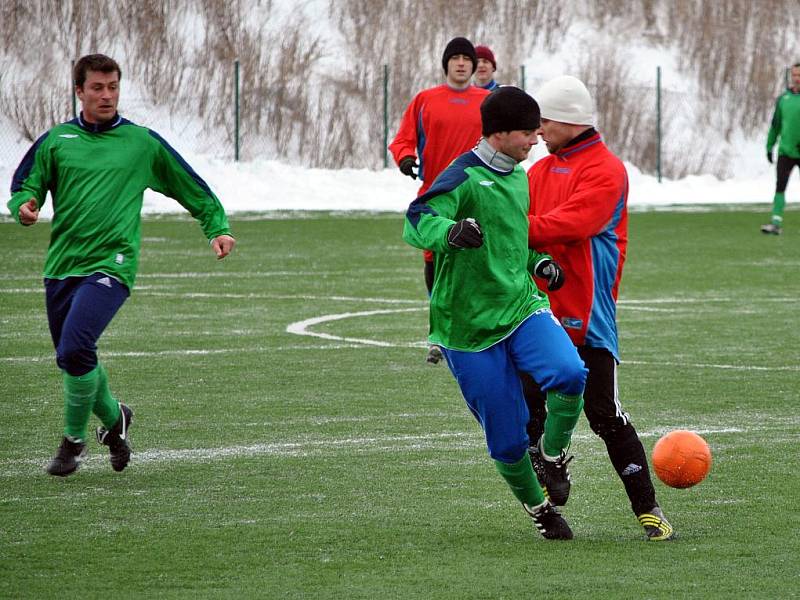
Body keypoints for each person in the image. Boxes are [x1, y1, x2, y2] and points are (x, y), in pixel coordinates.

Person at [7, 54, 236, 477]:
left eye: (113, 87)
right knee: (73, 359)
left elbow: (191, 187)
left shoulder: (140, 143)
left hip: (112, 265)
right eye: (97, 87)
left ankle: (73, 443)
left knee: (76, 347)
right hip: (62, 266)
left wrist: (215, 227)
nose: (107, 95)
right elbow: (25, 183)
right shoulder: (57, 141)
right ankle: (116, 421)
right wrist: (26, 205)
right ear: (79, 91)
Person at [402, 86, 587, 540]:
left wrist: (535, 260)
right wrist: (451, 231)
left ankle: (552, 453)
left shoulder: (520, 176)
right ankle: (539, 509)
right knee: (506, 441)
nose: (537, 139)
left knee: (570, 373)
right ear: (500, 134)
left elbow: (514, 237)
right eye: (528, 132)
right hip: (466, 327)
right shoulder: (462, 176)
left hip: (521, 306)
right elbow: (416, 219)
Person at [524, 75, 673, 541]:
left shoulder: (606, 169)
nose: (538, 131)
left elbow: (574, 223)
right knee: (527, 408)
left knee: (604, 413)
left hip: (587, 310)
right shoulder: (537, 172)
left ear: (569, 120)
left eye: (544, 120)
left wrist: (511, 227)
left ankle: (648, 509)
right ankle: (548, 467)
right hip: (532, 308)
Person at [389, 37, 489, 364]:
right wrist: (405, 157)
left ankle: (484, 330)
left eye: (466, 58)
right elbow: (403, 139)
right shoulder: (425, 100)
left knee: (481, 263)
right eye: (455, 58)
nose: (461, 63)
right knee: (436, 265)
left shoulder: (487, 101)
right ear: (445, 63)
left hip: (479, 196)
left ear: (474, 66)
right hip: (437, 197)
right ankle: (437, 335)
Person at [761, 63, 800, 235]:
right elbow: (775, 125)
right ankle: (775, 223)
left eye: (799, 75)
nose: (797, 78)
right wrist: (769, 146)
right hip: (786, 151)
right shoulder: (783, 99)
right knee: (780, 186)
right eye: (794, 75)